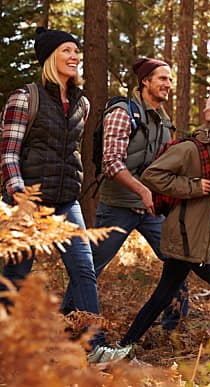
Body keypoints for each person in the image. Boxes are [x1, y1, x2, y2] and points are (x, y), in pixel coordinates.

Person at [0, 27, 130, 364]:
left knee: (84, 269)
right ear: (49, 58)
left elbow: (69, 152)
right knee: (15, 277)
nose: (74, 57)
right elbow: (9, 153)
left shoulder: (81, 103)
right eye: (67, 51)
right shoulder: (24, 98)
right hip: (27, 202)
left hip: (66, 201)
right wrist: (19, 194)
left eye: (76, 51)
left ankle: (94, 348)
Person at [61, 57, 188, 331]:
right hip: (118, 206)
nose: (168, 84)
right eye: (162, 78)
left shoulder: (165, 122)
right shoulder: (122, 112)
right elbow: (111, 163)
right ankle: (68, 321)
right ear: (145, 82)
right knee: (91, 268)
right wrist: (143, 190)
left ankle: (174, 330)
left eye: (169, 79)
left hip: (153, 209)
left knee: (178, 260)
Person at [119, 83, 210, 350]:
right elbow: (152, 175)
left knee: (162, 296)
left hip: (200, 237)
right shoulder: (192, 148)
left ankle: (122, 348)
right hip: (189, 238)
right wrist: (192, 187)